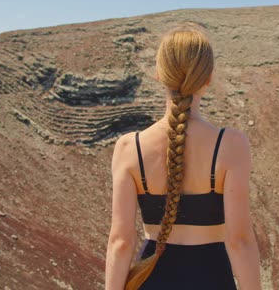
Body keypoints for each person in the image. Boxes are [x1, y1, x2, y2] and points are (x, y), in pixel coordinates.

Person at [105, 24, 261, 290]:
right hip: (213, 279)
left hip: (150, 278)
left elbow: (121, 242)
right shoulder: (231, 145)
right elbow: (239, 241)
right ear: (208, 77)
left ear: (159, 74)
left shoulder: (129, 148)